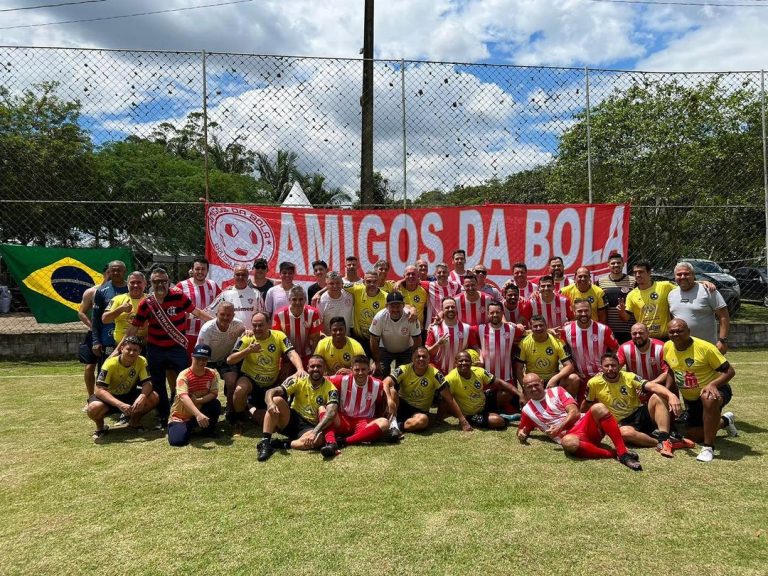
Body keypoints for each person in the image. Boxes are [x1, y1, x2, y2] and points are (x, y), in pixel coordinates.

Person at [126, 267, 213, 429]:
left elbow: (198, 313)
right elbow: (134, 327)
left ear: (168, 282)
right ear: (150, 283)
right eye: (156, 282)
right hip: (155, 349)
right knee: (158, 384)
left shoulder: (179, 296)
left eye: (163, 281)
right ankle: (163, 415)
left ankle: (185, 411)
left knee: (186, 381)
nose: (160, 285)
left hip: (177, 348)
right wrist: (122, 347)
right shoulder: (147, 303)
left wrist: (219, 324)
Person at [517, 373, 642, 471]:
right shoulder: (527, 410)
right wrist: (522, 434)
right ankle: (614, 453)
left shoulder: (557, 391)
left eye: (536, 385)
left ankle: (623, 453)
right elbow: (523, 429)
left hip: (585, 427)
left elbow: (575, 413)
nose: (533, 389)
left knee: (598, 407)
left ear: (541, 382)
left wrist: (559, 427)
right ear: (525, 389)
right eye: (529, 387)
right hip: (572, 439)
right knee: (568, 442)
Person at [584, 353, 693, 457]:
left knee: (658, 396)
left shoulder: (629, 376)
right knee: (624, 434)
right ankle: (665, 441)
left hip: (639, 413)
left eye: (613, 365)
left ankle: (664, 438)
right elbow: (588, 403)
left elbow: (652, 386)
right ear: (601, 367)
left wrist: (671, 395)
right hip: (622, 423)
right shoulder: (593, 383)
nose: (610, 368)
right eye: (606, 366)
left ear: (619, 366)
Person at [663, 318, 738, 462]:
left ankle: (708, 447)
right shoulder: (667, 347)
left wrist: (713, 384)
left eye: (679, 330)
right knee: (693, 435)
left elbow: (729, 371)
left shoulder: (705, 348)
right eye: (672, 331)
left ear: (688, 332)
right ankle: (725, 421)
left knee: (707, 397)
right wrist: (668, 393)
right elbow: (672, 371)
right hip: (691, 399)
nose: (675, 334)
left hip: (717, 391)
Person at [227, 311, 305, 428]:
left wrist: (300, 369)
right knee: (239, 391)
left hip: (271, 383)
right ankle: (239, 419)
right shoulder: (247, 338)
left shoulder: (279, 336)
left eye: (260, 325)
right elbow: (230, 360)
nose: (257, 328)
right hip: (251, 379)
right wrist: (248, 350)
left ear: (269, 324)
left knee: (275, 419)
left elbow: (291, 353)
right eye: (254, 325)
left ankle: (251, 409)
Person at [257, 355, 339, 461]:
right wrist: (269, 403)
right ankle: (265, 442)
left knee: (320, 440)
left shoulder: (331, 388)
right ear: (307, 368)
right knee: (276, 400)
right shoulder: (298, 380)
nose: (315, 369)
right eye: (312, 366)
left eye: (319, 366)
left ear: (324, 368)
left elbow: (331, 413)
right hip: (291, 419)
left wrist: (314, 432)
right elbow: (270, 391)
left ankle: (284, 444)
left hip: (310, 427)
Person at [383, 346, 470, 435]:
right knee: (392, 392)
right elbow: (385, 382)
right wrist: (389, 400)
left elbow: (449, 398)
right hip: (400, 405)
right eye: (418, 356)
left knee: (423, 421)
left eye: (424, 357)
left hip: (419, 411)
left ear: (429, 359)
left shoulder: (435, 374)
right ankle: (392, 422)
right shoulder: (403, 369)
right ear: (412, 358)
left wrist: (462, 419)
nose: (421, 359)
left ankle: (396, 426)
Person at [86, 336, 159, 439]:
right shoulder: (110, 363)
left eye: (135, 350)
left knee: (154, 397)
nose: (131, 353)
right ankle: (101, 427)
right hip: (109, 397)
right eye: (128, 349)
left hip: (128, 394)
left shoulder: (142, 361)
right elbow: (99, 390)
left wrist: (142, 396)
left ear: (140, 351)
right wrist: (119, 404)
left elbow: (147, 383)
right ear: (121, 349)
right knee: (94, 408)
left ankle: (134, 421)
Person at [320, 355, 391, 456]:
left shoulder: (377, 385)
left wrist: (389, 400)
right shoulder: (342, 380)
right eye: (357, 370)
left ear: (369, 369)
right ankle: (331, 443)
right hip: (342, 420)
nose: (360, 373)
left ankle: (345, 441)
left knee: (384, 423)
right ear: (351, 370)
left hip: (363, 423)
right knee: (322, 408)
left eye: (363, 369)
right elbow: (322, 380)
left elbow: (386, 391)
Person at [560, 299, 619, 398]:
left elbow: (616, 349)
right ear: (574, 312)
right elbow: (563, 354)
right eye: (579, 311)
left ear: (591, 311)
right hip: (580, 377)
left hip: (601, 376)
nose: (583, 314)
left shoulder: (603, 329)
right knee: (581, 407)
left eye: (586, 310)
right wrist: (573, 371)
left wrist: (608, 369)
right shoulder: (566, 330)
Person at [443, 351, 518, 430]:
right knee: (499, 421)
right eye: (461, 361)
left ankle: (495, 412)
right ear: (455, 363)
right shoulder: (450, 378)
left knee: (507, 392)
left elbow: (499, 382)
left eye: (467, 360)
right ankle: (505, 417)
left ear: (471, 362)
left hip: (483, 402)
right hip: (470, 414)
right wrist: (462, 419)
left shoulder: (479, 371)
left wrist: (521, 395)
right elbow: (447, 400)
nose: (464, 363)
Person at [196, 302, 245, 419]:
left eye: (229, 315)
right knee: (203, 385)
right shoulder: (207, 328)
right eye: (222, 314)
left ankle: (231, 410)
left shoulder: (238, 325)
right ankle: (202, 410)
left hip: (225, 358)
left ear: (233, 316)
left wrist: (247, 332)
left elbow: (245, 332)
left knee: (231, 382)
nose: (225, 318)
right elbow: (200, 351)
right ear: (216, 314)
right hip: (207, 358)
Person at [167, 344, 222, 446]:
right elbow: (183, 397)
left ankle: (207, 430)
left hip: (200, 410)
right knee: (177, 441)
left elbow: (214, 393)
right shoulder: (184, 375)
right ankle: (189, 427)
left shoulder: (212, 373)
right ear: (192, 356)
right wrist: (198, 414)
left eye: (204, 359)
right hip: (181, 416)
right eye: (198, 358)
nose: (201, 362)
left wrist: (198, 401)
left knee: (215, 404)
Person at [668, 261, 730, 351]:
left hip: (707, 347)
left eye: (686, 274)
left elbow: (724, 316)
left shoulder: (708, 290)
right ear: (675, 276)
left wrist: (722, 340)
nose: (682, 277)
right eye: (679, 274)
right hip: (681, 348)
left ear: (693, 275)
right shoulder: (671, 294)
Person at [514, 315, 578, 397]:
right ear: (531, 328)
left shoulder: (557, 341)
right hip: (534, 382)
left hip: (553, 379)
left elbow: (569, 366)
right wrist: (525, 387)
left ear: (546, 326)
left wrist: (555, 379)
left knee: (574, 379)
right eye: (535, 326)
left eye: (541, 325)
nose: (538, 328)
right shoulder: (524, 343)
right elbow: (518, 369)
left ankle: (562, 405)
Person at [369, 291, 422, 378]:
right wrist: (376, 362)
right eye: (392, 306)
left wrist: (413, 358)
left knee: (404, 377)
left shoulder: (411, 317)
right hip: (385, 349)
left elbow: (417, 340)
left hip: (406, 351)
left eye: (398, 306)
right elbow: (373, 339)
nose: (395, 310)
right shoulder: (379, 317)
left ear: (403, 305)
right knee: (379, 373)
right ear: (386, 306)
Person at [77, 264, 109, 408]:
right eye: (109, 272)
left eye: (116, 272)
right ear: (104, 273)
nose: (112, 274)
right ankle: (91, 398)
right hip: (94, 334)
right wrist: (93, 327)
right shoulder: (92, 291)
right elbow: (81, 312)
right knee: (90, 367)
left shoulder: (121, 291)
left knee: (109, 368)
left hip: (111, 334)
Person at [176, 257, 221, 355]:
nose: (200, 272)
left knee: (204, 362)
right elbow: (173, 307)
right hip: (188, 334)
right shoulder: (181, 286)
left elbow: (221, 303)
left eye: (203, 269)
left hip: (208, 333)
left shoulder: (213, 285)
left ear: (207, 270)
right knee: (188, 364)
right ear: (192, 269)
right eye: (197, 269)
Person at [425, 296, 479, 376]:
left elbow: (475, 347)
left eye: (452, 307)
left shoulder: (467, 328)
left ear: (456, 309)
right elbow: (427, 353)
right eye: (447, 307)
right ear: (442, 310)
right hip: (439, 372)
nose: (450, 309)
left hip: (460, 374)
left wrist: (481, 359)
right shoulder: (434, 329)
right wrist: (438, 345)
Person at [272, 286, 323, 366]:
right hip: (287, 356)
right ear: (289, 300)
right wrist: (285, 358)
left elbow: (316, 339)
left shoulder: (314, 313)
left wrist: (312, 359)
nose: (298, 302)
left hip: (307, 356)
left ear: (305, 299)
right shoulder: (278, 315)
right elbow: (277, 339)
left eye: (301, 299)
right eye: (294, 299)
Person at [477, 300, 525, 385]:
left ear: (502, 313)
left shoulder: (512, 329)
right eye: (492, 313)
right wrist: (479, 352)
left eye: (497, 312)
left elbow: (532, 333)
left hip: (507, 378)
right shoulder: (480, 329)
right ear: (487, 313)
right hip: (486, 379)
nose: (495, 315)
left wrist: (549, 331)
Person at [91, 260, 128, 369]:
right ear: (109, 272)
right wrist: (96, 341)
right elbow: (95, 318)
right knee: (106, 370)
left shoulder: (132, 289)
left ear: (125, 271)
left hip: (128, 338)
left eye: (119, 270)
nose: (116, 273)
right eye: (113, 270)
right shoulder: (102, 291)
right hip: (108, 339)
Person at [344, 270, 388, 355]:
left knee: (380, 366)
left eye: (375, 281)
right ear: (363, 282)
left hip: (378, 339)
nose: (372, 284)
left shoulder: (386, 297)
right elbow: (337, 284)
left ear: (379, 282)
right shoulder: (357, 288)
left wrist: (412, 310)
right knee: (360, 366)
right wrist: (319, 293)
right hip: (359, 338)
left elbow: (402, 306)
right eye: (368, 281)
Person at [596, 253, 635, 343]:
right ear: (608, 265)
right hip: (609, 329)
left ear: (623, 264)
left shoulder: (633, 281)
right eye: (613, 263)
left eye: (618, 263)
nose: (616, 265)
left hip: (628, 329)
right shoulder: (600, 282)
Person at [617, 322, 668, 389]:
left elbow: (666, 373)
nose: (637, 336)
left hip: (657, 387)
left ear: (648, 333)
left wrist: (647, 385)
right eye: (634, 333)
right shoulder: (624, 348)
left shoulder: (661, 347)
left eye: (641, 333)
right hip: (636, 389)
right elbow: (615, 367)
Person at [102, 271, 147, 345]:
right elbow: (105, 319)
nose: (135, 285)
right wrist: (120, 309)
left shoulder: (150, 300)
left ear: (145, 284)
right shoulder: (117, 299)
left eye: (139, 282)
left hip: (144, 345)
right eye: (132, 282)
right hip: (121, 346)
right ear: (127, 284)